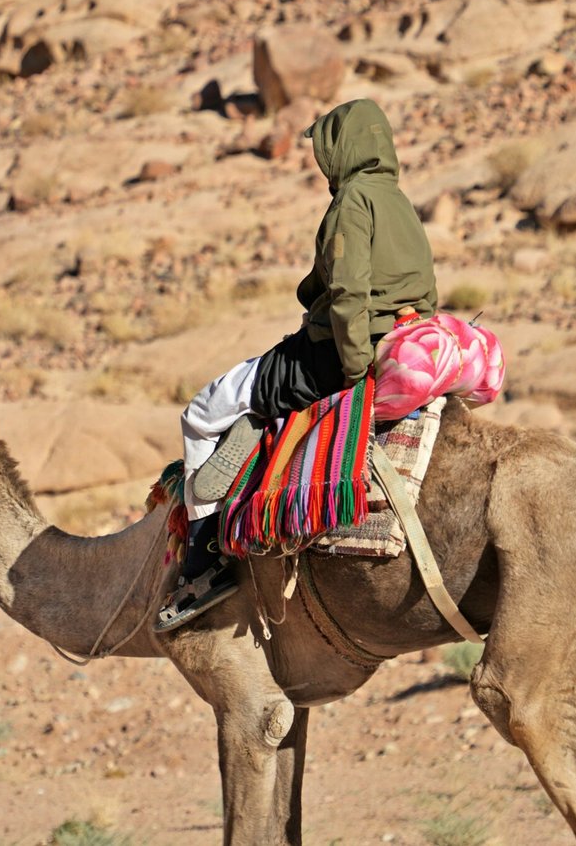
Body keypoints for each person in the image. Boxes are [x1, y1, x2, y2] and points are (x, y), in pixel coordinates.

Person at [155, 97, 437, 631]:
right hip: (395, 347)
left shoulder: (352, 202)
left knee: (199, 411)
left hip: (328, 358)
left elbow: (348, 295)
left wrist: (355, 374)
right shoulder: (399, 202)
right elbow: (425, 293)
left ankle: (205, 561)